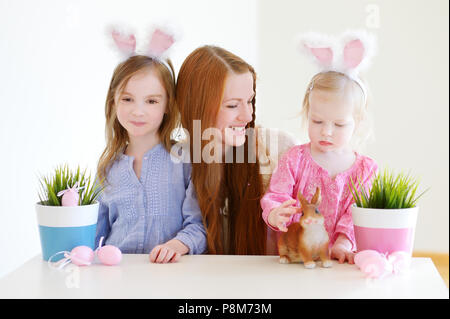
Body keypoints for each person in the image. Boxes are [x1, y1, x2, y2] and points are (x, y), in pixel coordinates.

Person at [261, 31, 378, 264]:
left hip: (339, 260)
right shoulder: (294, 159)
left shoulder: (365, 169)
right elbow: (276, 194)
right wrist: (275, 213)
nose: (326, 131)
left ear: (358, 122)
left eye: (339, 124)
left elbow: (357, 211)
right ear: (307, 114)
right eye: (317, 121)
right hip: (298, 259)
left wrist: (344, 242)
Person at [95, 27, 207, 263]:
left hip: (169, 277)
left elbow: (199, 226)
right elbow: (97, 237)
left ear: (167, 104)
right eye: (127, 99)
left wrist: (177, 245)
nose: (138, 111)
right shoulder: (107, 168)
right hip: (118, 278)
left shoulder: (185, 159)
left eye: (151, 101)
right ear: (114, 101)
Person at [176, 45, 298, 255]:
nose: (247, 116)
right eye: (233, 105)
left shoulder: (279, 149)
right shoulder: (178, 161)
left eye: (249, 101)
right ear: (198, 106)